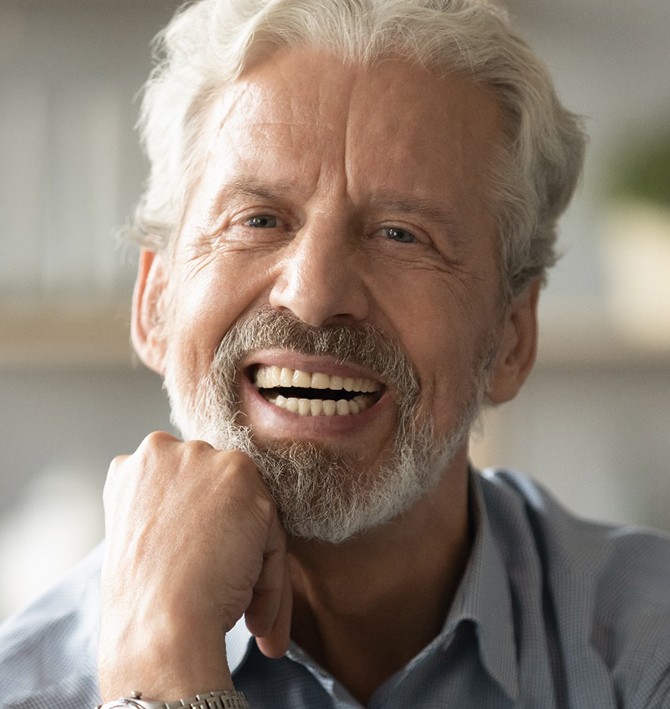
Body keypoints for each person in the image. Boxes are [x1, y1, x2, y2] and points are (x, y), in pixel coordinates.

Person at [1, 0, 670, 706]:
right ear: (155, 302)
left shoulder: (648, 650)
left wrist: (165, 680)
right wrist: (162, 644)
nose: (315, 295)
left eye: (401, 234)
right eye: (258, 219)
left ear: (512, 335)